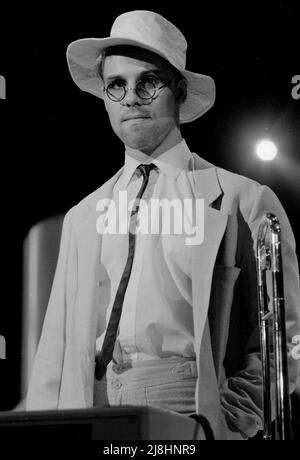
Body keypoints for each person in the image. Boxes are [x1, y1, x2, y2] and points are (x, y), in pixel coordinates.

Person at [25, 10, 300, 440]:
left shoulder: (243, 200)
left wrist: (227, 421)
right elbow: (53, 353)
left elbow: (285, 338)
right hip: (95, 412)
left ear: (179, 89)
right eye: (116, 85)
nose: (131, 97)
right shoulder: (82, 217)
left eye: (148, 81)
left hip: (193, 412)